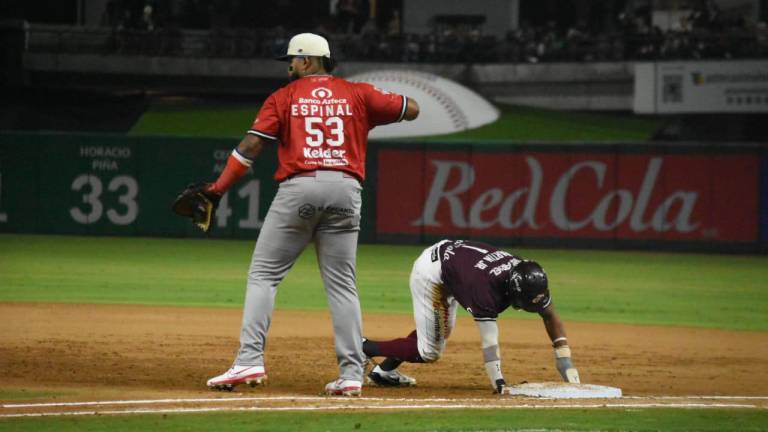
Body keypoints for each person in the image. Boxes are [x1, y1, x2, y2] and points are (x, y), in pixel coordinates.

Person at [204, 33, 420, 396]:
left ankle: (249, 360)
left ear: (306, 61)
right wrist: (366, 115)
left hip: (301, 186)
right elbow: (411, 108)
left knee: (264, 275)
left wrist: (217, 189)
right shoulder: (358, 94)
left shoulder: (284, 97)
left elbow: (251, 146)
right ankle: (351, 373)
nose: (289, 66)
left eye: (291, 59)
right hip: (347, 191)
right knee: (342, 285)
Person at [362, 239, 580, 393]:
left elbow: (550, 315)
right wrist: (499, 382)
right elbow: (489, 341)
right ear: (513, 291)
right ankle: (364, 347)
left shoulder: (527, 275)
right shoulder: (485, 291)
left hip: (453, 264)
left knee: (440, 329)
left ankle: (383, 372)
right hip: (431, 273)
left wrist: (565, 361)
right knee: (429, 351)